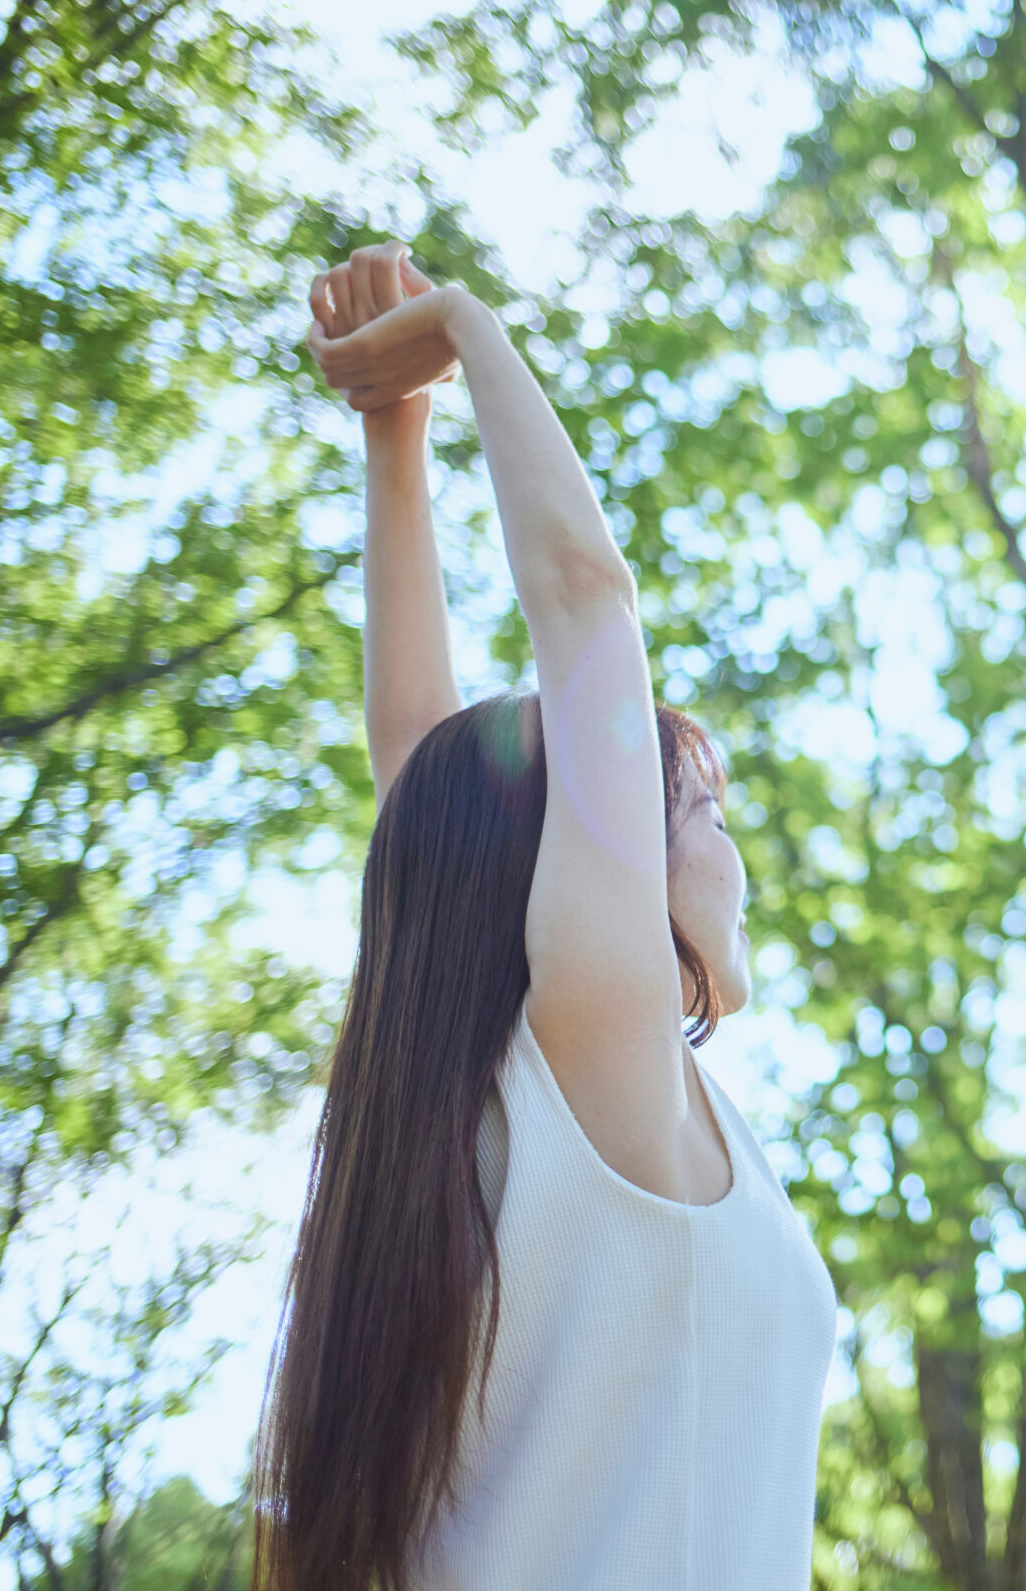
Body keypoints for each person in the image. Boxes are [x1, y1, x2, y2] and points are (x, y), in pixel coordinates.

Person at [253, 243, 838, 1591]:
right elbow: (583, 600)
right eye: (703, 811)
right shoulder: (602, 1062)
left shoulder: (524, 1109)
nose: (727, 848)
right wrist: (457, 326)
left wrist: (392, 432)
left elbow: (422, 762)